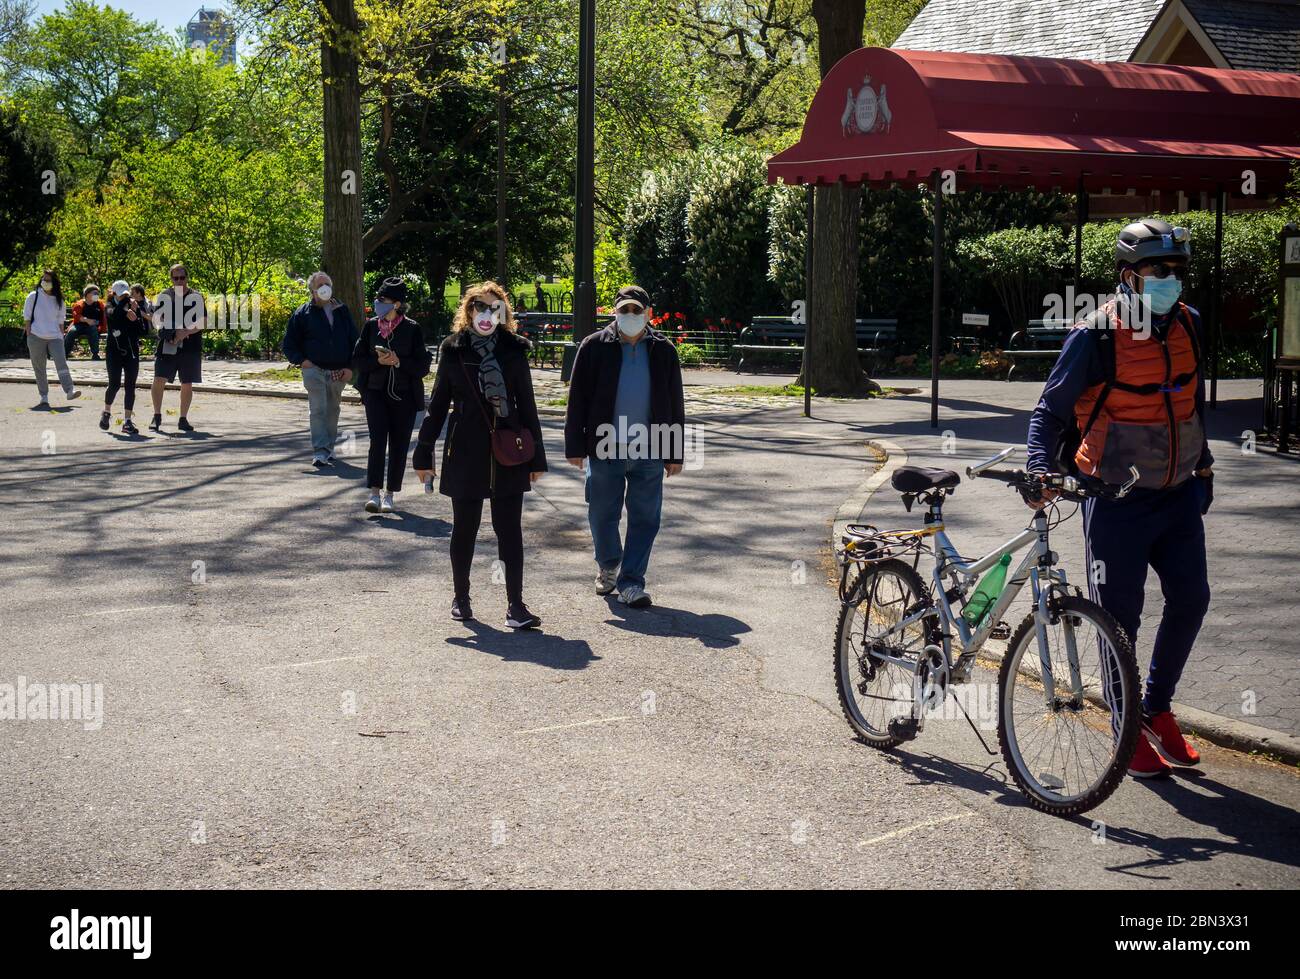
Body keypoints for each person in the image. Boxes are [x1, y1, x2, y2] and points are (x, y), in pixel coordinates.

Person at [1026, 217, 1212, 781]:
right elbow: (1049, 411)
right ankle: (1125, 725)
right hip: (1115, 500)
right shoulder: (1095, 336)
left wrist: (1203, 467)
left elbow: (1191, 401)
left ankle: (1154, 707)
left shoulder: (1190, 324)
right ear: (1130, 277)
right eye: (1162, 271)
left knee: (1192, 599)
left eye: (1180, 272)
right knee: (1118, 620)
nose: (1173, 281)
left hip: (1177, 494)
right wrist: (1039, 468)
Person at [412, 281, 547, 629]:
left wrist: (537, 458)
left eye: (494, 308)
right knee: (465, 529)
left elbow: (527, 406)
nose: (486, 315)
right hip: (465, 450)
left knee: (509, 531)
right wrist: (423, 454)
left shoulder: (514, 350)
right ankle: (461, 597)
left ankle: (515, 605)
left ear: (503, 313)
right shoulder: (453, 349)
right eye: (479, 307)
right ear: (469, 311)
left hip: (508, 449)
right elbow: (438, 405)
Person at [564, 285, 686, 608]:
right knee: (602, 513)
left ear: (648, 313)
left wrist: (674, 452)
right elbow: (577, 400)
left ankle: (631, 581)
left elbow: (675, 404)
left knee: (646, 518)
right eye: (625, 310)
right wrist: (575, 445)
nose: (630, 316)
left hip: (650, 448)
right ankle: (608, 563)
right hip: (605, 447)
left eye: (636, 310)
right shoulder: (593, 347)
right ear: (615, 312)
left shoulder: (664, 351)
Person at [352, 277, 431, 512]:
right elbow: (357, 359)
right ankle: (374, 492)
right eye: (377, 298)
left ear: (396, 304)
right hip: (375, 393)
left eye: (383, 299)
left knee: (399, 445)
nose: (378, 303)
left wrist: (398, 361)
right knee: (377, 442)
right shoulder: (370, 326)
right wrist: (377, 361)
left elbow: (423, 366)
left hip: (404, 396)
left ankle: (390, 494)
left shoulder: (412, 329)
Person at [282, 271, 359, 467]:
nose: (325, 288)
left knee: (332, 410)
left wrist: (350, 367)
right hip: (314, 370)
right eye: (320, 285)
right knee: (317, 409)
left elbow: (354, 341)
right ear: (312, 291)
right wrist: (301, 361)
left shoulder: (342, 311)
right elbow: (289, 343)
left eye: (327, 284)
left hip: (338, 372)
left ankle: (329, 448)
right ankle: (320, 451)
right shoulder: (302, 313)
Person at [149, 263, 206, 433]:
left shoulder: (196, 296)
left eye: (182, 277)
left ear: (187, 278)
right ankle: (157, 416)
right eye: (176, 278)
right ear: (171, 279)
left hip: (190, 346)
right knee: (159, 379)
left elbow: (203, 321)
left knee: (187, 382)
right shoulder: (165, 296)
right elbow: (157, 320)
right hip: (167, 345)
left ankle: (183, 419)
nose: (179, 281)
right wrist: (169, 333)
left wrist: (185, 332)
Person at [21, 269, 81, 407]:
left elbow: (61, 320)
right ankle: (44, 396)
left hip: (55, 336)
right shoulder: (33, 296)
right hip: (36, 336)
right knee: (39, 367)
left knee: (61, 363)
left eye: (48, 280)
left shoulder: (59, 299)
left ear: (54, 283)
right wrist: (29, 332)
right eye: (43, 279)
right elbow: (27, 316)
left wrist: (61, 335)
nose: (45, 282)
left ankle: (69, 390)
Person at [101, 280, 147, 435]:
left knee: (130, 385)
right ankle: (107, 411)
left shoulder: (132, 305)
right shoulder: (109, 307)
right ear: (113, 294)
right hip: (114, 352)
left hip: (131, 352)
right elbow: (114, 316)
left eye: (126, 295)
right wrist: (126, 304)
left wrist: (137, 315)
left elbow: (143, 330)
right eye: (121, 296)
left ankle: (127, 421)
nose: (125, 298)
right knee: (114, 384)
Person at [65, 285, 105, 361]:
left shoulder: (100, 304)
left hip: (92, 327)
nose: (97, 295)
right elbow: (76, 315)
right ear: (87, 294)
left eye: (97, 293)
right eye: (94, 293)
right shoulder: (80, 304)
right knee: (72, 332)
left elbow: (103, 318)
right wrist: (87, 320)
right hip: (79, 325)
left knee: (93, 329)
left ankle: (95, 354)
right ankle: (65, 353)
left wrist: (100, 326)